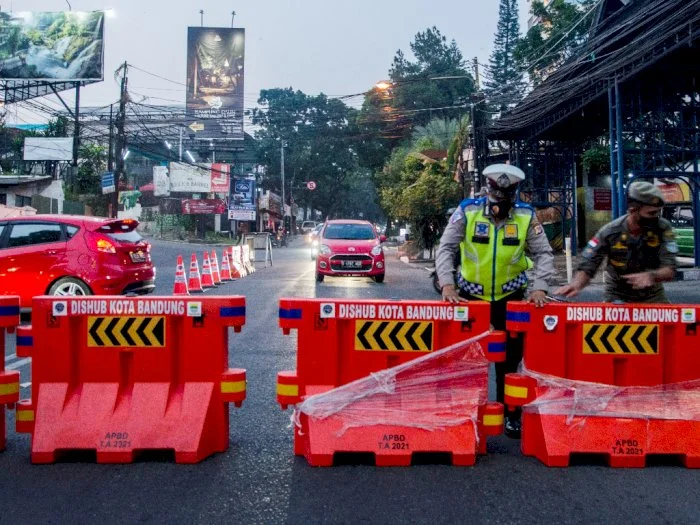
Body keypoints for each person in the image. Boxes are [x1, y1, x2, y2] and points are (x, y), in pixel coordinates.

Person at [435, 163, 556, 438]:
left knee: (510, 361)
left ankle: (510, 413)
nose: (501, 200)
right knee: (466, 359)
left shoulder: (526, 216)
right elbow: (446, 248)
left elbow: (544, 254)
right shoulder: (467, 210)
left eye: (507, 193)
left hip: (509, 297)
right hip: (469, 298)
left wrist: (539, 287)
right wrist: (447, 284)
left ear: (514, 193)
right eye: (497, 192)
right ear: (487, 189)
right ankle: (465, 412)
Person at [555, 181, 678, 303]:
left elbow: (670, 268)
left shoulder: (663, 228)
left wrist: (651, 276)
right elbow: (590, 262)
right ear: (633, 210)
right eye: (651, 213)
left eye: (658, 212)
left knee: (673, 321)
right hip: (618, 294)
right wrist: (576, 285)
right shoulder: (610, 232)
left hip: (652, 295)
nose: (656, 217)